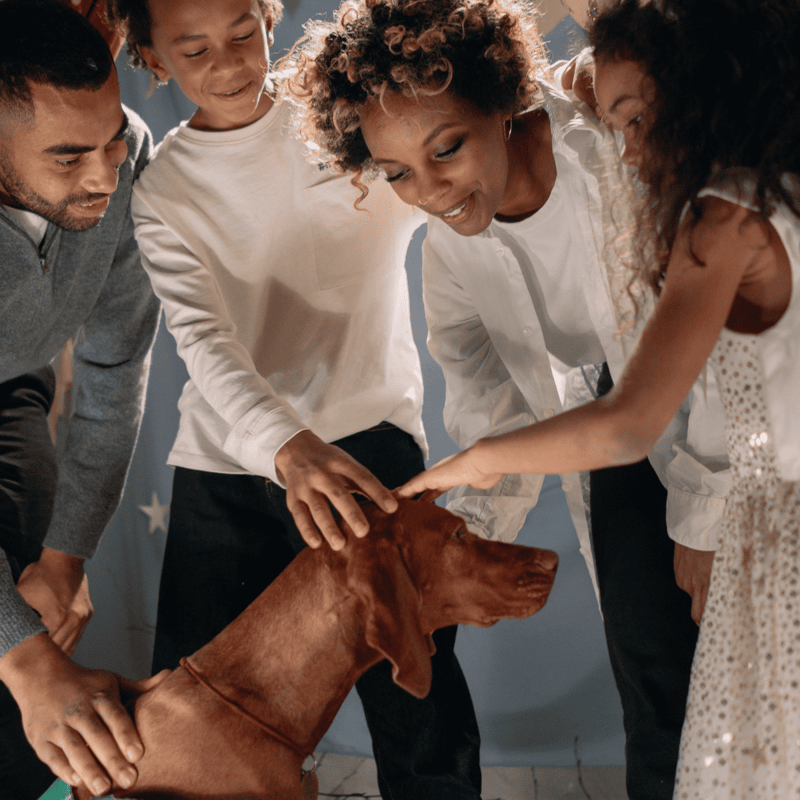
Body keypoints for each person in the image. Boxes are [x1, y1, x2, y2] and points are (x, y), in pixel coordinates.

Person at [287, 1, 730, 798]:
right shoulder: (451, 256)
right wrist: (460, 540)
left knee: (742, 672)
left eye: (446, 149)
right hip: (609, 440)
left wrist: (706, 512)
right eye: (397, 174)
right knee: (653, 679)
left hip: (719, 424)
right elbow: (491, 407)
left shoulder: (619, 151)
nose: (429, 192)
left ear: (504, 102)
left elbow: (720, 348)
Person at [395, 0, 800, 796]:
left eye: (636, 121)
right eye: (613, 123)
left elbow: (627, 423)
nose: (627, 150)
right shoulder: (765, 197)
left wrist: (474, 462)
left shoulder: (717, 225)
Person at [104, 0, 482, 797]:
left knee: (419, 703)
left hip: (368, 450)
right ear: (153, 58)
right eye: (195, 48)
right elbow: (204, 341)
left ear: (270, 15)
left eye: (244, 31)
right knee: (196, 715)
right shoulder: (163, 190)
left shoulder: (354, 121)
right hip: (227, 467)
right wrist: (286, 444)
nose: (230, 62)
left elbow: (459, 146)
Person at [0, 2, 162, 799]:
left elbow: (113, 367)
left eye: (113, 143)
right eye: (68, 160)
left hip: (11, 382)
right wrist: (27, 660)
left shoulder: (123, 160)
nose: (104, 175)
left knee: (30, 571)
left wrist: (63, 563)